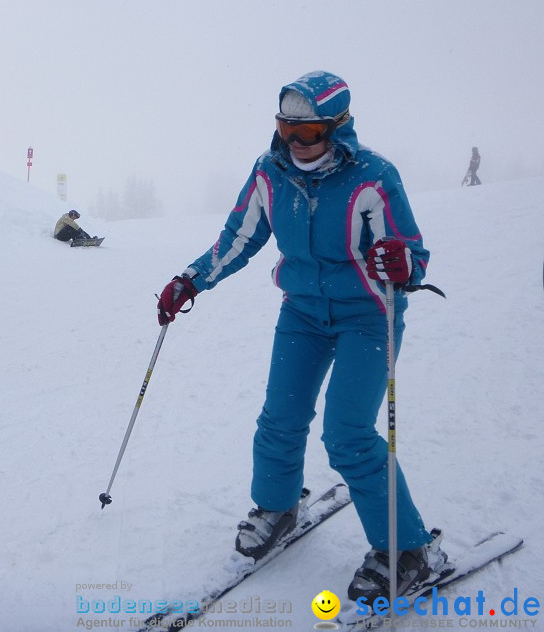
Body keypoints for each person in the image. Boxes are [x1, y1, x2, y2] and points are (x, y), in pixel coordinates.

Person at [156, 71, 445, 605]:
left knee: (348, 433)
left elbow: (411, 255)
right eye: (285, 130)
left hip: (367, 315)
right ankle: (278, 506)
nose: (295, 144)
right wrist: (190, 279)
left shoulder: (372, 176)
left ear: (337, 127)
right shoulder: (271, 173)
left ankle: (408, 551)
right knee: (280, 417)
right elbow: (238, 237)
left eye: (307, 133)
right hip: (304, 314)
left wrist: (402, 264)